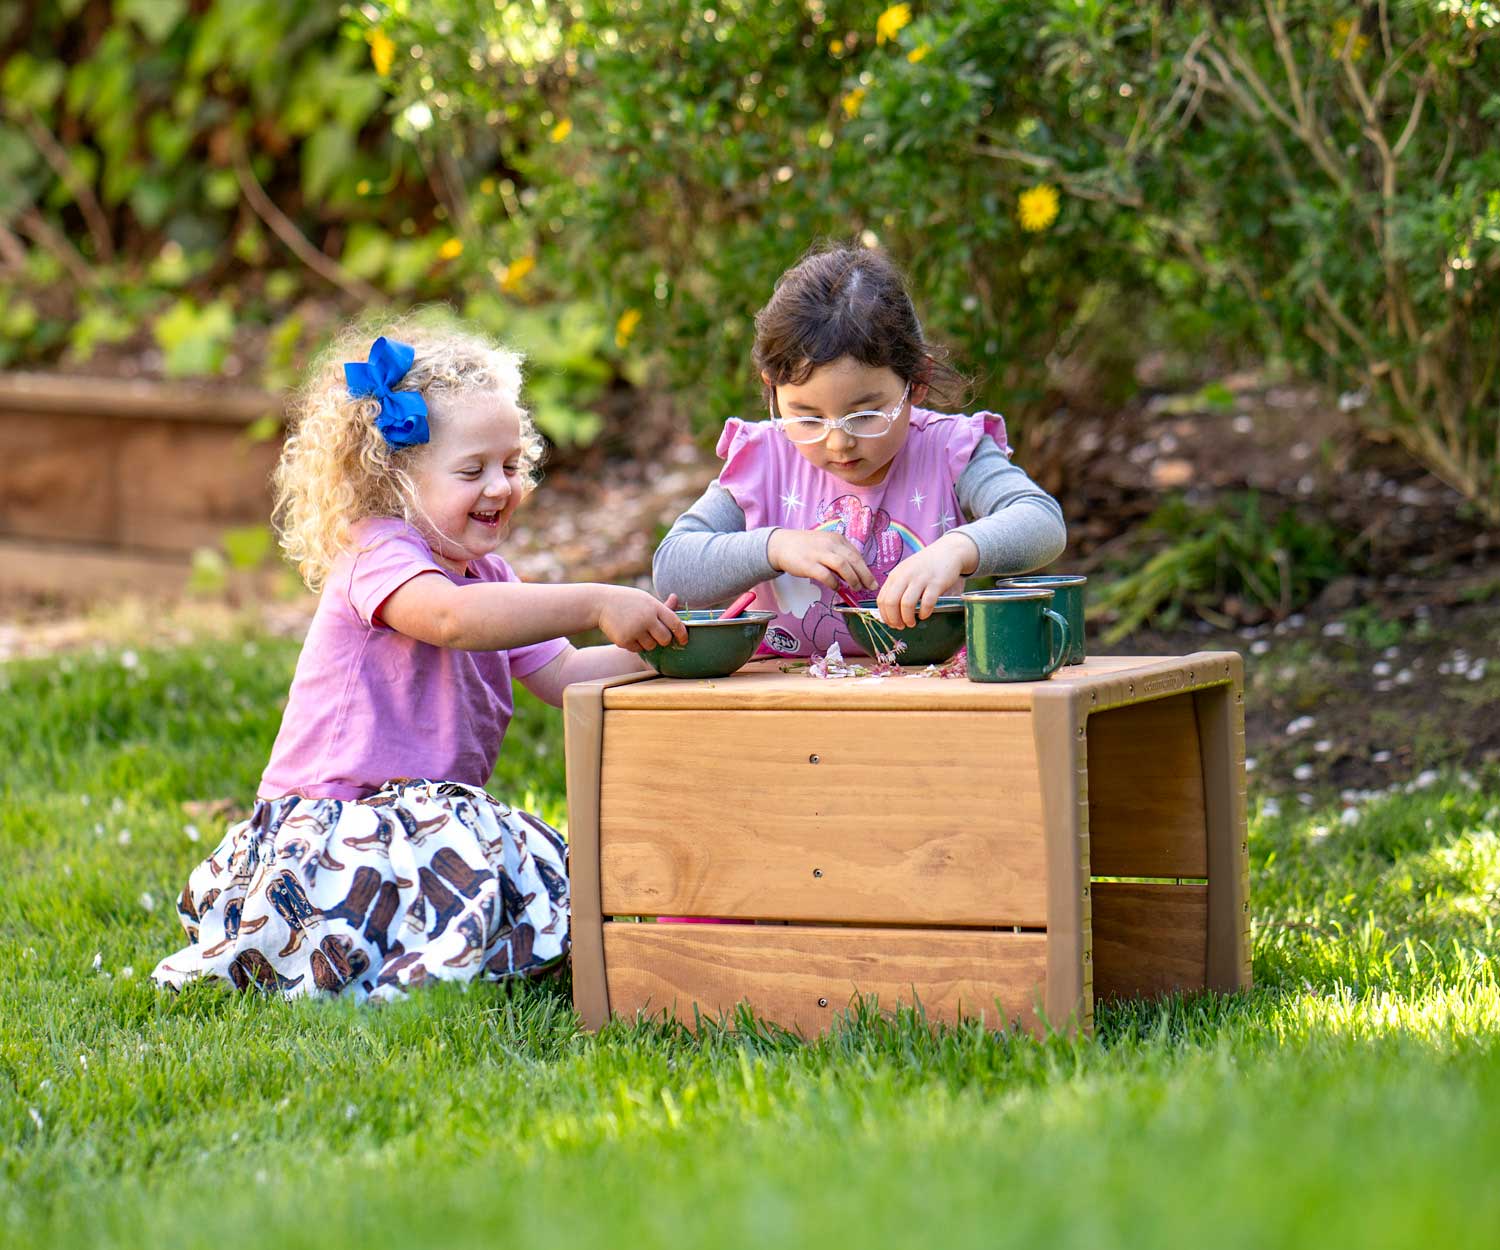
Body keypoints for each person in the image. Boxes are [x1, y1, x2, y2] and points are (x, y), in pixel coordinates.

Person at [152, 317, 686, 1000]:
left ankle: (435, 962)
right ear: (396, 480)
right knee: (477, 848)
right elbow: (448, 619)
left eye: (512, 465)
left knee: (523, 861)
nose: (500, 487)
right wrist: (594, 602)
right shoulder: (379, 555)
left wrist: (672, 648)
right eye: (473, 471)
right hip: (334, 831)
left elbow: (566, 675)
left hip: (425, 826)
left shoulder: (490, 577)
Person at [653, 244, 1066, 658]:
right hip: (782, 699)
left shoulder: (948, 450)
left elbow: (1041, 521)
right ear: (772, 389)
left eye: (865, 415)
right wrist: (774, 546)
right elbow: (673, 568)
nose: (838, 442)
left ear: (916, 382)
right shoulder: (766, 460)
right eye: (808, 418)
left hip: (923, 695)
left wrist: (957, 550)